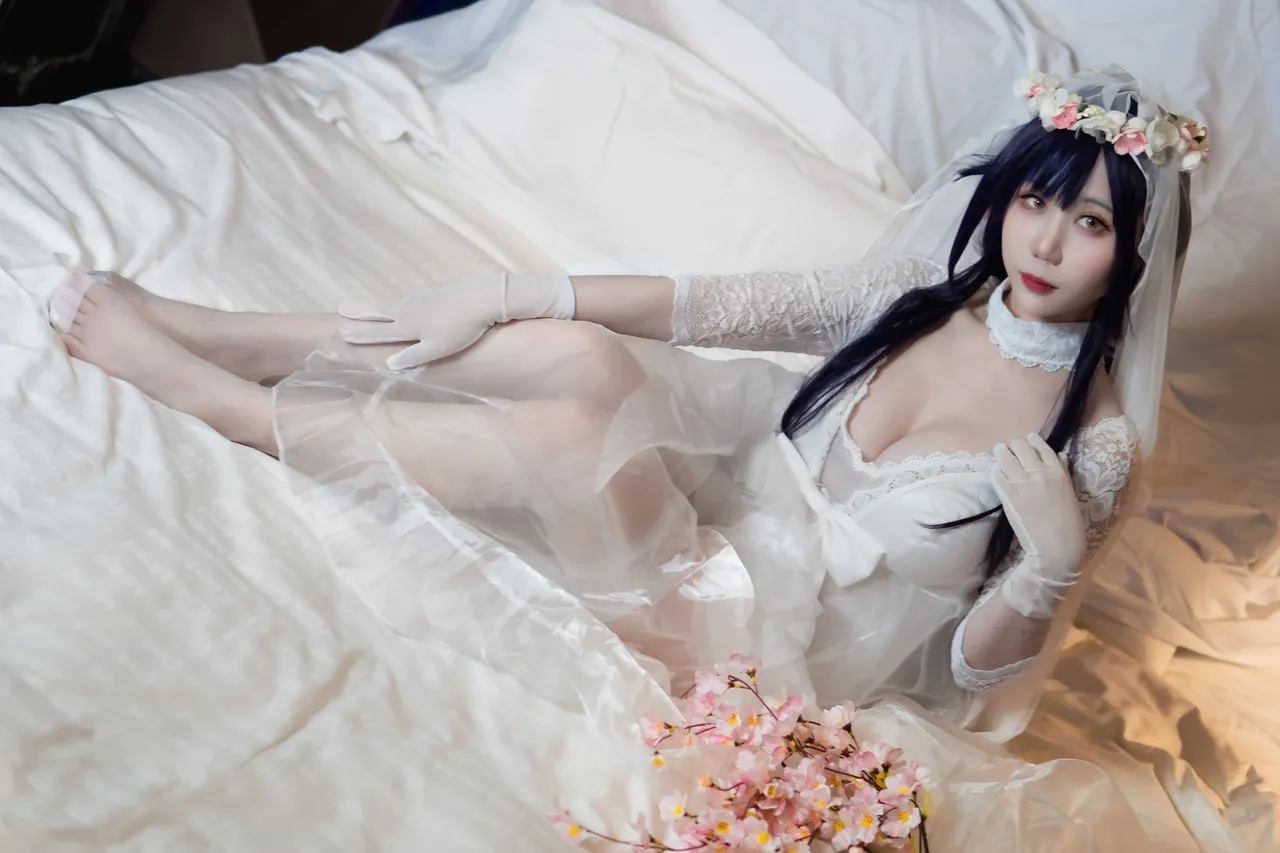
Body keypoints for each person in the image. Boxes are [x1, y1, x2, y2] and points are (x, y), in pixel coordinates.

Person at [47, 66, 1201, 739]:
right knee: (587, 355)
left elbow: (966, 682)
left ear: (1133, 254)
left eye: (1090, 222)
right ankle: (247, 337)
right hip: (727, 504)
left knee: (566, 436)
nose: (1044, 243)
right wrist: (514, 290)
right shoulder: (917, 296)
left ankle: (227, 405)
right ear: (1001, 197)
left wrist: (1046, 572)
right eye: (1033, 202)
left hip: (758, 649)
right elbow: (721, 306)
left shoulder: (1092, 445)